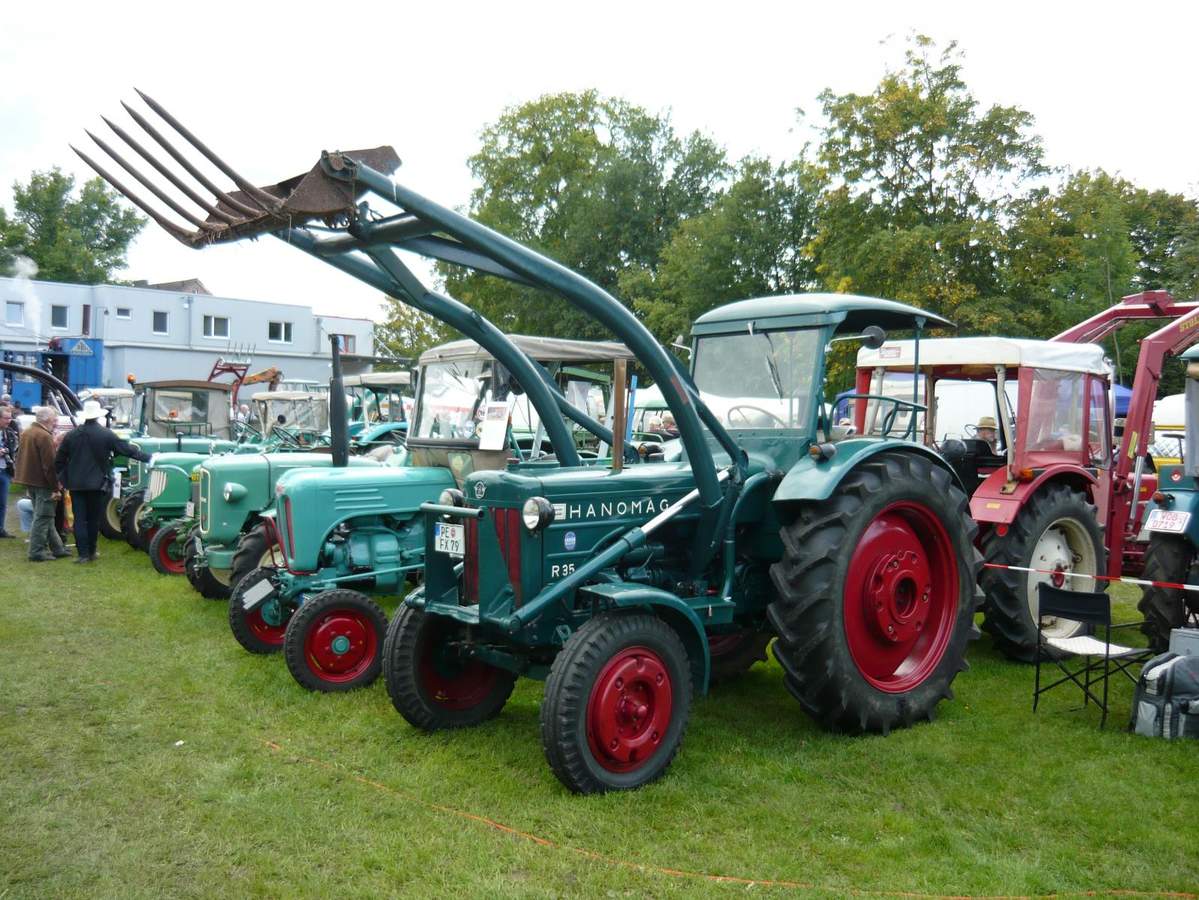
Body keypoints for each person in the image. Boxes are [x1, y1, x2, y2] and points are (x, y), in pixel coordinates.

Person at [56, 400, 151, 564]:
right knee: (93, 519)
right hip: (97, 483)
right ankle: (91, 551)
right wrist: (150, 458)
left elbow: (59, 461)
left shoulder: (71, 435)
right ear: (98, 416)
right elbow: (127, 450)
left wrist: (66, 479)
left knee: (79, 519)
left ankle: (83, 554)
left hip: (76, 484)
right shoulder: (106, 434)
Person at [14, 407, 69, 561]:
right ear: (47, 419)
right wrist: (55, 486)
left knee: (46, 516)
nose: (56, 422)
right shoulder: (44, 436)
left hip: (30, 481)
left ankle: (57, 548)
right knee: (43, 517)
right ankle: (36, 552)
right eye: (54, 419)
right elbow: (49, 465)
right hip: (43, 483)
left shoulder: (28, 432)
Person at [0, 405, 18, 537]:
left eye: (10, 418)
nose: (9, 421)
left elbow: (14, 450)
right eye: (6, 418)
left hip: (5, 471)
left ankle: (1, 530)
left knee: (2, 503)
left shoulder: (9, 433)